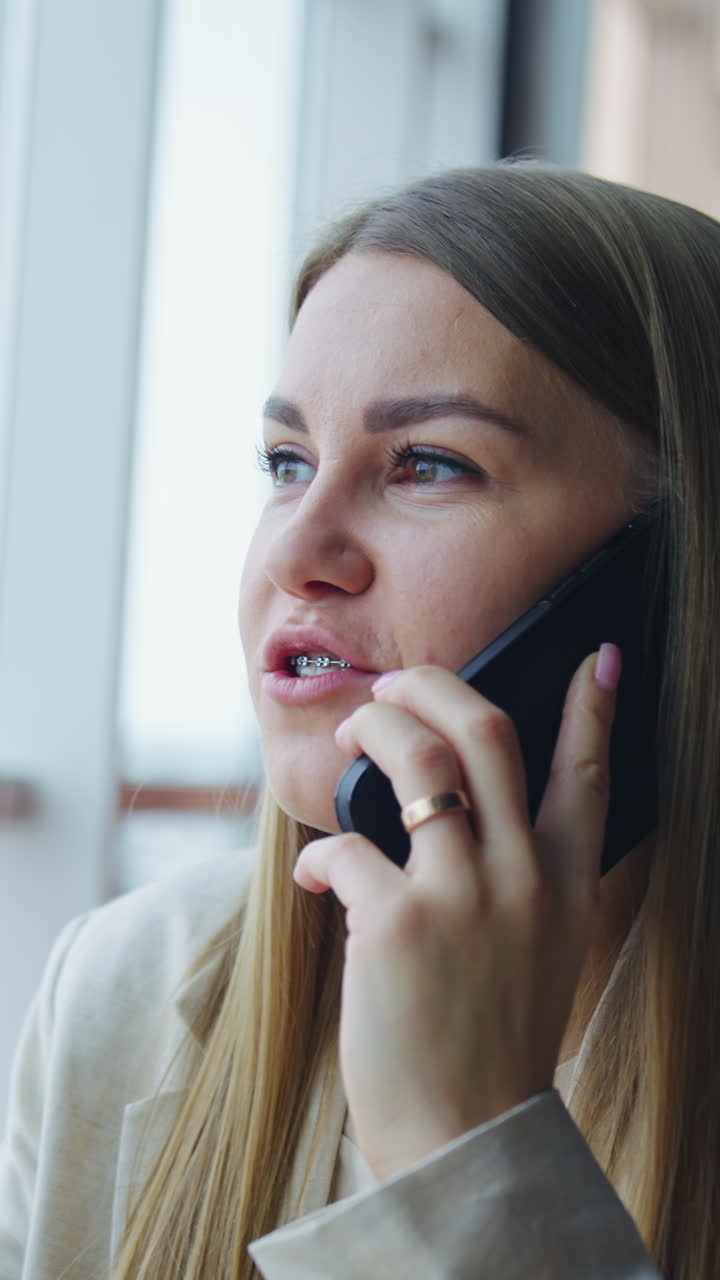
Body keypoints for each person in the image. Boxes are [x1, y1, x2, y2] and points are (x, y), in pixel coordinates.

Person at [2, 163, 719, 1280]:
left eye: (429, 464)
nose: (295, 550)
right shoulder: (121, 981)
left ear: (666, 577)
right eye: (287, 462)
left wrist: (469, 1158)